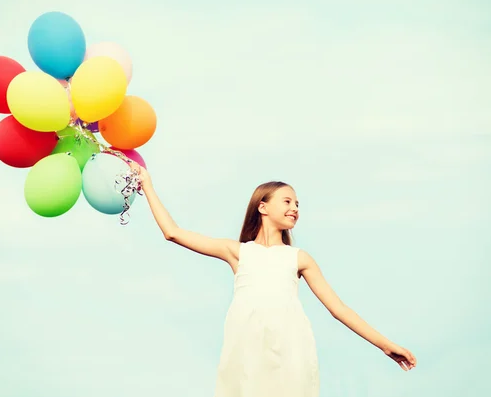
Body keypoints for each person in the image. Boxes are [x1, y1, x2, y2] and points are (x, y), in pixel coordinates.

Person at [132, 164, 417, 397]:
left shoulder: (299, 258)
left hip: (292, 352)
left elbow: (338, 309)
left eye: (297, 204)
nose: (295, 208)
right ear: (263, 207)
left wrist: (384, 344)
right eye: (287, 201)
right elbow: (173, 232)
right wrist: (147, 184)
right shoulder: (238, 252)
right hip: (246, 352)